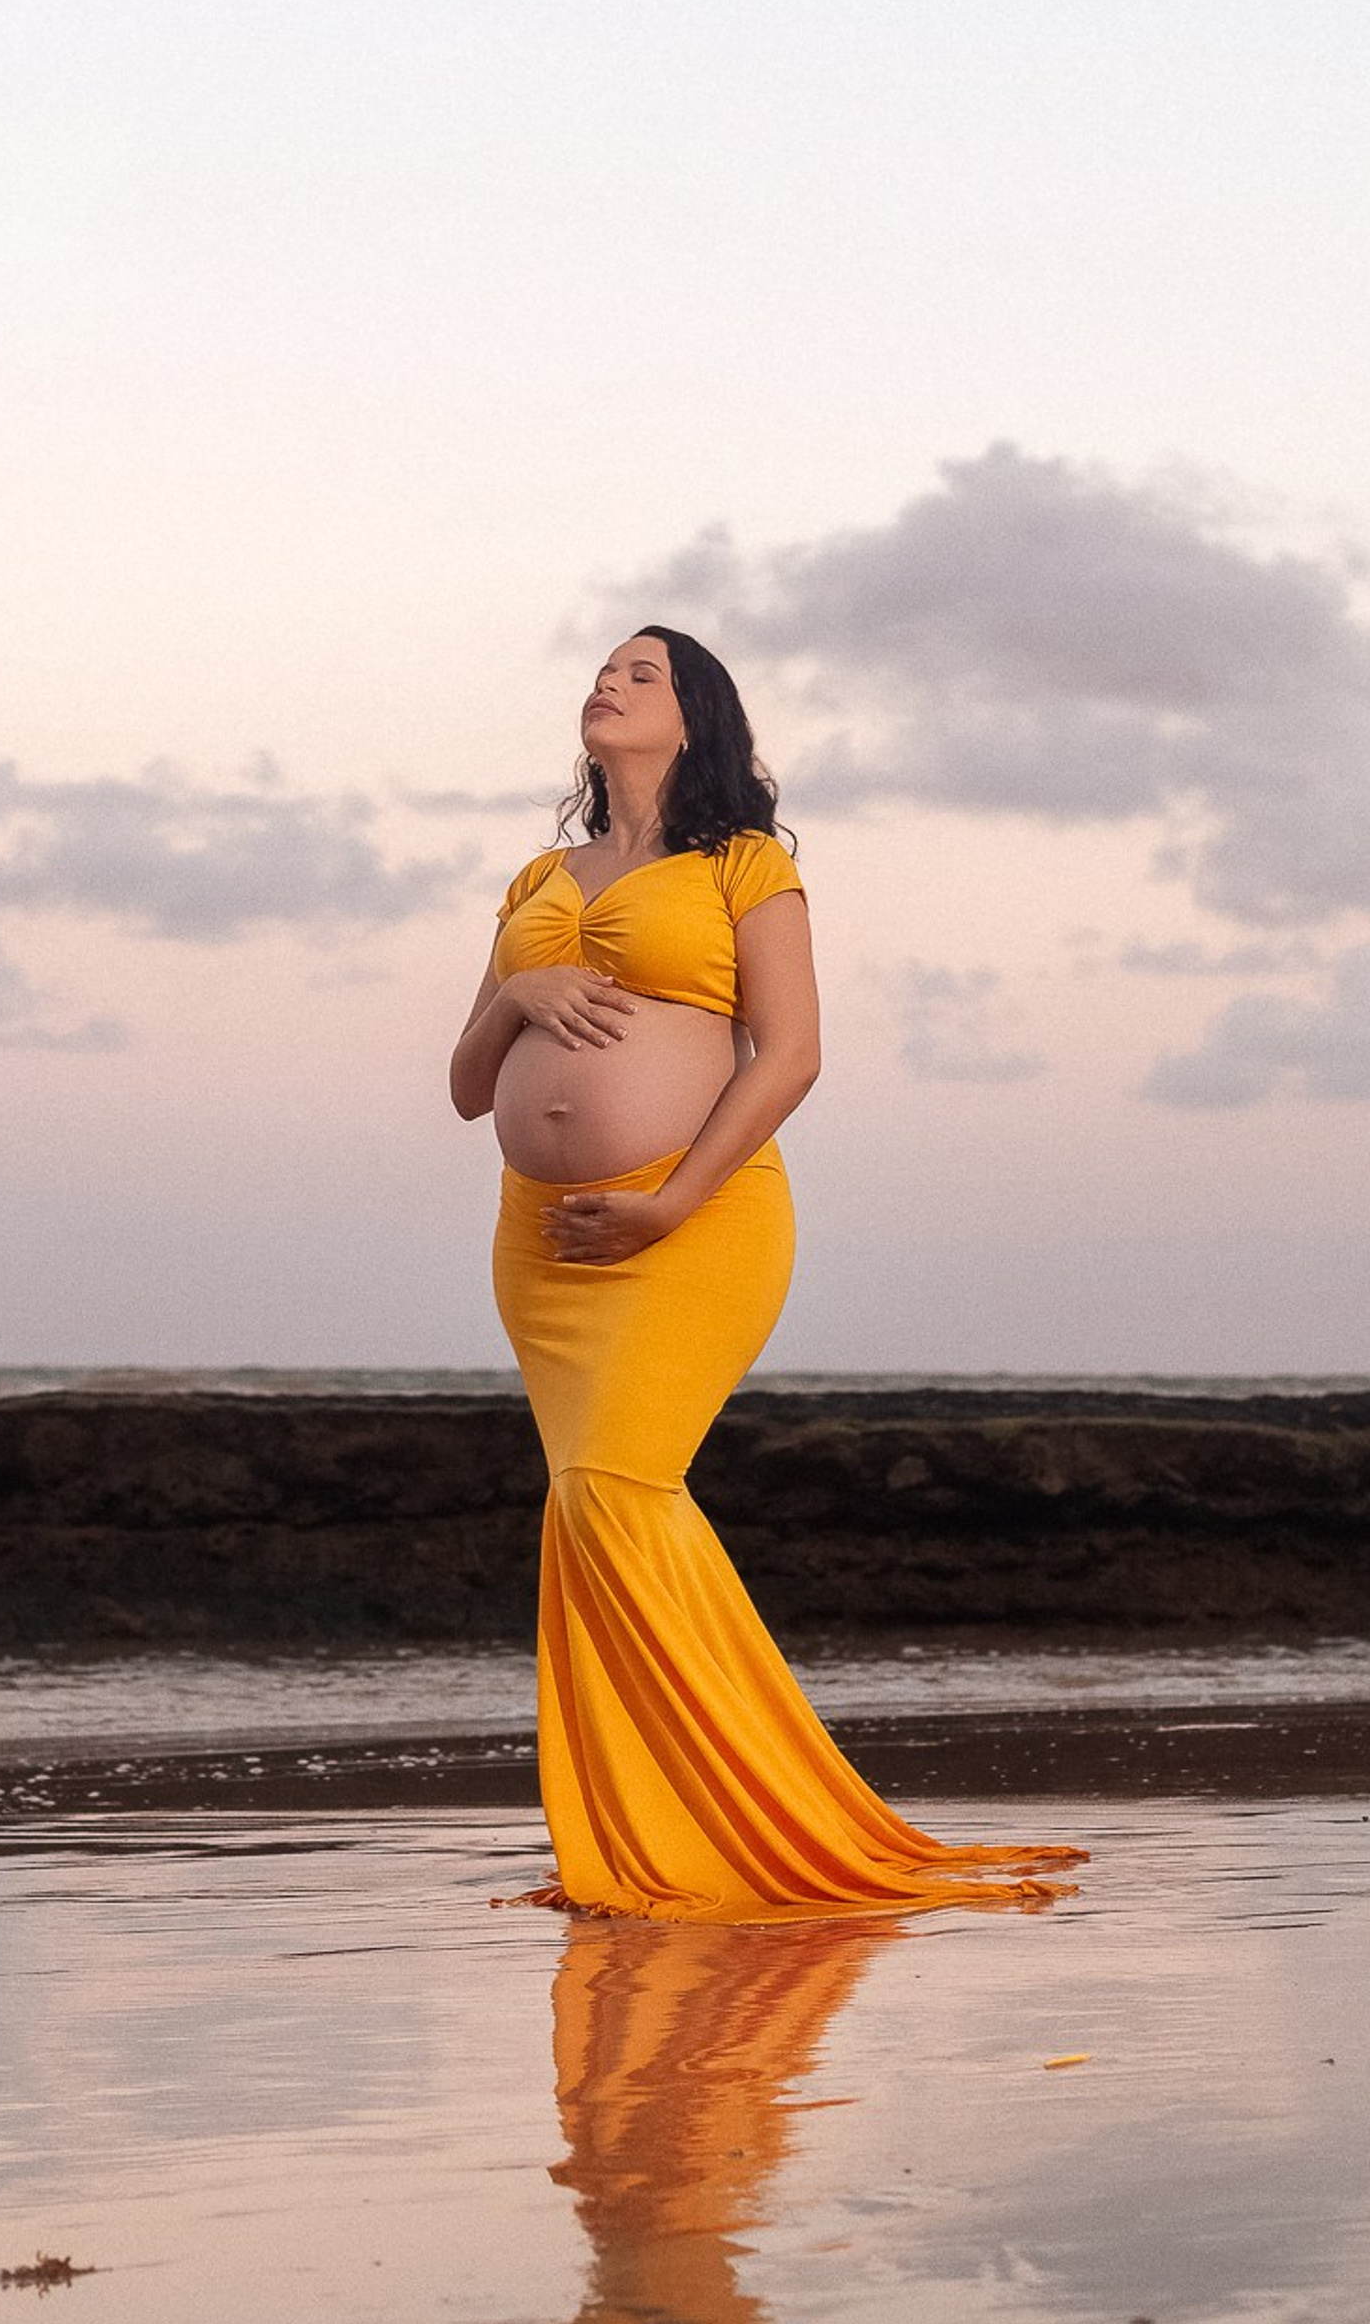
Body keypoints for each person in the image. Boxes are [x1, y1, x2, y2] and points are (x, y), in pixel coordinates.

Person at [449, 627, 1084, 1920]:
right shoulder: (535, 881)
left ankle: (769, 1817)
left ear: (697, 717)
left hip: (698, 1220)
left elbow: (790, 1054)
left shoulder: (746, 865)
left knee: (616, 1492)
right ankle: (654, 1834)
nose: (609, 682)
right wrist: (523, 991)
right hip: (545, 1242)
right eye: (604, 668)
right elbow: (466, 1087)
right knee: (587, 1509)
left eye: (644, 673)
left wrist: (669, 1201)